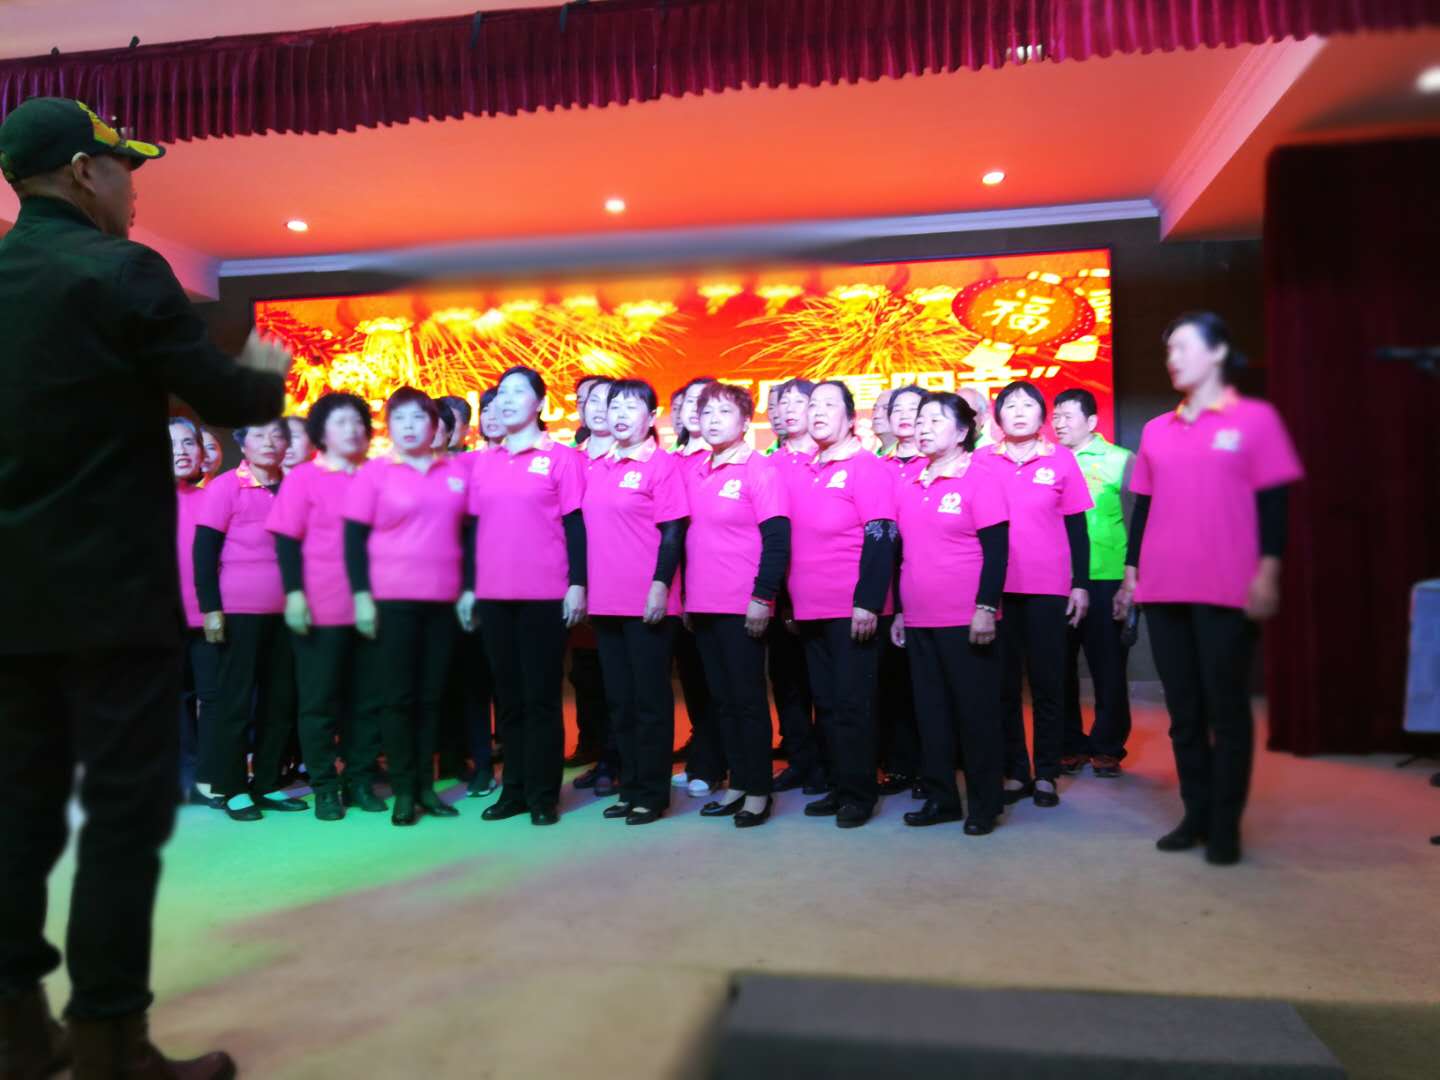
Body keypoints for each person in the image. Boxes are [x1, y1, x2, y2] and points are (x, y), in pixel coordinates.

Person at [0, 94, 288, 1077]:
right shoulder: (122, 269)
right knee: (125, 816)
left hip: (6, 603)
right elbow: (225, 399)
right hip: (110, 598)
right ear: (84, 171)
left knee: (15, 810)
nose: (134, 189)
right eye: (125, 167)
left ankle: (15, 1033)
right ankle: (110, 1040)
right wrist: (263, 369)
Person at [1116, 312, 1302, 865]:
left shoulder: (1255, 420)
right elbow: (1143, 507)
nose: (1172, 359)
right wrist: (1131, 570)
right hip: (1163, 586)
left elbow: (1275, 505)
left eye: (1183, 347)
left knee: (1227, 709)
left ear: (1217, 352)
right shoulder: (1156, 429)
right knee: (1184, 712)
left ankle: (1225, 826)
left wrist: (1269, 572)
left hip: (1227, 585)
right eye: (1168, 350)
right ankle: (1194, 814)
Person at [460, 366, 588, 826]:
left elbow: (575, 524)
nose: (507, 400)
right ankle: (512, 789)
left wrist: (577, 583)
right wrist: (470, 587)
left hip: (544, 595)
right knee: (508, 698)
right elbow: (473, 530)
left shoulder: (560, 458)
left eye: (518, 392)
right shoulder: (485, 461)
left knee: (541, 699)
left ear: (540, 404)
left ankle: (542, 795)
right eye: (501, 394)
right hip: (494, 596)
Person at [343, 388, 469, 826]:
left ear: (435, 426)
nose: (410, 426)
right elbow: (353, 540)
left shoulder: (455, 472)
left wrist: (469, 589)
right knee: (397, 699)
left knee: (431, 698)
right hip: (391, 602)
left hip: (443, 603)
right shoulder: (374, 474)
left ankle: (425, 788)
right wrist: (361, 596)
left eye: (419, 418)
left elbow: (469, 535)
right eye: (400, 419)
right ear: (389, 427)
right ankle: (402, 791)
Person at [891, 392, 1009, 833]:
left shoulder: (980, 479)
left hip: (966, 619)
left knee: (975, 715)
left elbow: (997, 552)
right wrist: (900, 611)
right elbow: (904, 554)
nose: (923, 427)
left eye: (936, 420)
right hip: (919, 618)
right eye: (920, 420)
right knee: (931, 715)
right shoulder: (909, 482)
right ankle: (941, 799)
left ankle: (985, 804)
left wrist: (985, 608)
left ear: (962, 432)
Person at [782, 380, 897, 828]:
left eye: (829, 405)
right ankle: (837, 784)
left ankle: (859, 793)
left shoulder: (866, 466)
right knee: (826, 704)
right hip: (810, 608)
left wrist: (868, 602)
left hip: (852, 610)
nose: (818, 412)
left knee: (853, 705)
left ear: (851, 419)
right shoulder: (805, 468)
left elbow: (882, 535)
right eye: (813, 405)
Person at [267, 393, 386, 820]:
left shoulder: (377, 476)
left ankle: (360, 780)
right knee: (318, 703)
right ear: (321, 432)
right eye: (340, 422)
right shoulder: (304, 478)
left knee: (367, 700)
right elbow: (286, 540)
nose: (351, 429)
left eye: (357, 421)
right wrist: (295, 594)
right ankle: (324, 787)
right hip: (321, 607)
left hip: (374, 608)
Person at [979, 381, 1092, 810]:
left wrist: (1080, 583)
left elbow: (1077, 527)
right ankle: (1016, 769)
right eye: (1010, 405)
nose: (1019, 411)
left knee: (1048, 683)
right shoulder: (982, 461)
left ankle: (1046, 772)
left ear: (1042, 416)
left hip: (1048, 588)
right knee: (1003, 685)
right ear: (998, 418)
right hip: (997, 590)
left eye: (1028, 405)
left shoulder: (1061, 459)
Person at [686, 383, 791, 828]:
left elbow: (777, 539)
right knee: (723, 701)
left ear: (746, 422)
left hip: (741, 604)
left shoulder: (758, 469)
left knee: (747, 700)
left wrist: (762, 597)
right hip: (703, 604)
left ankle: (759, 790)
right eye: (707, 413)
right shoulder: (697, 469)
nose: (713, 421)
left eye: (724, 413)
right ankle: (737, 782)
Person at [584, 379, 688, 824]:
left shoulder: (661, 465)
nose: (621, 415)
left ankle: (652, 793)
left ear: (652, 417)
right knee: (620, 702)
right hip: (605, 602)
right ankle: (630, 787)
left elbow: (673, 531)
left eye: (631, 407)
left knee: (650, 703)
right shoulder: (598, 465)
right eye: (615, 407)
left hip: (647, 602)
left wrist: (660, 585)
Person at [193, 418, 307, 823]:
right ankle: (232, 787)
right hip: (239, 612)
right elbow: (204, 552)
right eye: (259, 434)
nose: (269, 442)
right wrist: (211, 608)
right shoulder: (227, 486)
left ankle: (267, 783)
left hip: (288, 613)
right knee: (235, 702)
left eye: (277, 435)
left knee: (280, 701)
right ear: (243, 444)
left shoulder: (295, 488)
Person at [1052, 388, 1134, 778]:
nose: (1059, 423)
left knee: (1108, 666)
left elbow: (1138, 521)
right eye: (1055, 416)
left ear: (1091, 421)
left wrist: (1131, 580)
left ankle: (1107, 747)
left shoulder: (1120, 460)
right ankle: (1069, 744)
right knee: (1059, 666)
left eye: (1067, 416)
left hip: (1107, 576)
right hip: (1059, 578)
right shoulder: (1049, 461)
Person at [766, 377, 825, 794]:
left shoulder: (829, 460)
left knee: (826, 686)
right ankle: (801, 761)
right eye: (782, 403)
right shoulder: (769, 463)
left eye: (797, 402)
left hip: (822, 590)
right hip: (778, 589)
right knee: (787, 683)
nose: (787, 410)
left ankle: (830, 765)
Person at [669, 377, 725, 799]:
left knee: (715, 681)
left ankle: (714, 763)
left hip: (713, 584)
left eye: (703, 403)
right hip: (676, 586)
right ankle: (701, 757)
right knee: (691, 680)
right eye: (688, 402)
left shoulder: (722, 460)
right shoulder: (670, 461)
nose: (694, 409)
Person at [876, 385, 925, 797]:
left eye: (915, 409)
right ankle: (900, 763)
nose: (906, 416)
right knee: (891, 682)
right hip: (886, 582)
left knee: (925, 682)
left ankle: (934, 767)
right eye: (899, 410)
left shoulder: (939, 463)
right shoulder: (878, 466)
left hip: (926, 581)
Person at [569, 377, 618, 793]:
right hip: (579, 584)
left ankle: (618, 762)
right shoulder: (570, 459)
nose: (597, 408)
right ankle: (599, 753)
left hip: (620, 582)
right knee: (588, 676)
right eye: (588, 401)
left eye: (606, 400)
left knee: (620, 679)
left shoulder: (633, 457)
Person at [171, 417, 222, 809]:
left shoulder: (212, 499)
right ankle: (181, 778)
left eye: (189, 443)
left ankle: (209, 777)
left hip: (208, 619)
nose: (181, 451)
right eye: (171, 444)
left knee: (213, 699)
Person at [871, 389, 896, 455]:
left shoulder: (911, 456)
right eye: (874, 409)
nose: (877, 415)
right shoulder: (872, 457)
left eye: (886, 408)